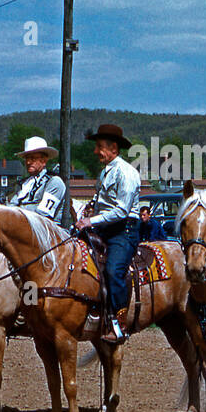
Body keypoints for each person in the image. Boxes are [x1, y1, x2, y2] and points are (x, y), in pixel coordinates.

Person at [75, 124, 141, 344]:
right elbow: (105, 205)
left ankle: (120, 324)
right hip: (105, 228)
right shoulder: (105, 172)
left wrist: (90, 220)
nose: (96, 152)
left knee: (113, 270)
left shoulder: (127, 173)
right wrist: (91, 211)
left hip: (125, 230)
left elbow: (122, 210)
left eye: (100, 147)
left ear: (114, 148)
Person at [8, 136, 65, 222]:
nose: (28, 162)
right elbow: (11, 207)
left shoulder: (54, 182)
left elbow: (42, 215)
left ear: (44, 161)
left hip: (47, 232)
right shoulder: (24, 184)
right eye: (27, 158)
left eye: (33, 158)